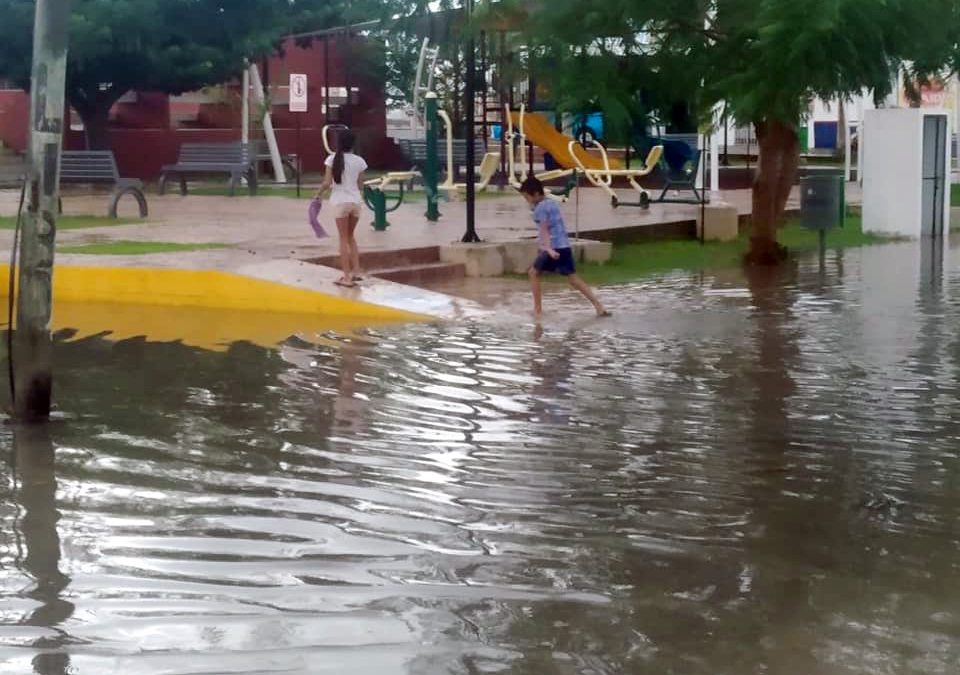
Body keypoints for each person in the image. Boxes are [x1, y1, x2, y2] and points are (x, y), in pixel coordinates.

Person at [519, 176, 609, 317]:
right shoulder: (553, 203)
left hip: (553, 246)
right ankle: (598, 306)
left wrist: (545, 248)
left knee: (533, 273)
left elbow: (544, 230)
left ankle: (537, 310)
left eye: (527, 197)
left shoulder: (539, 209)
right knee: (573, 278)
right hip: (564, 245)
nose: (527, 201)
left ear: (536, 194)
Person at [316, 129, 367, 288]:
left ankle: (346, 277)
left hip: (340, 202)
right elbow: (360, 184)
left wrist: (318, 194)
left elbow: (326, 183)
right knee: (351, 237)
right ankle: (356, 271)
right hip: (355, 202)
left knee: (343, 238)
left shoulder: (332, 159)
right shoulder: (359, 161)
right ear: (353, 143)